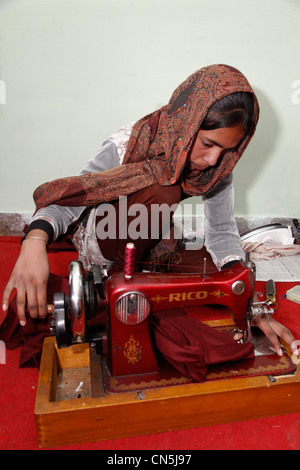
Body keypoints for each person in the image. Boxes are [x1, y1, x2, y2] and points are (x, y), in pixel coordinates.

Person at [2, 64, 296, 357]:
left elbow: (221, 231)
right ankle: (115, 283)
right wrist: (35, 239)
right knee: (163, 190)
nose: (213, 159)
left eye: (227, 150)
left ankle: (140, 274)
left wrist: (243, 294)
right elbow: (71, 201)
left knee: (218, 272)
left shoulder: (219, 165)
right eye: (208, 144)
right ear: (188, 124)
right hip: (105, 234)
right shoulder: (126, 143)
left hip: (153, 236)